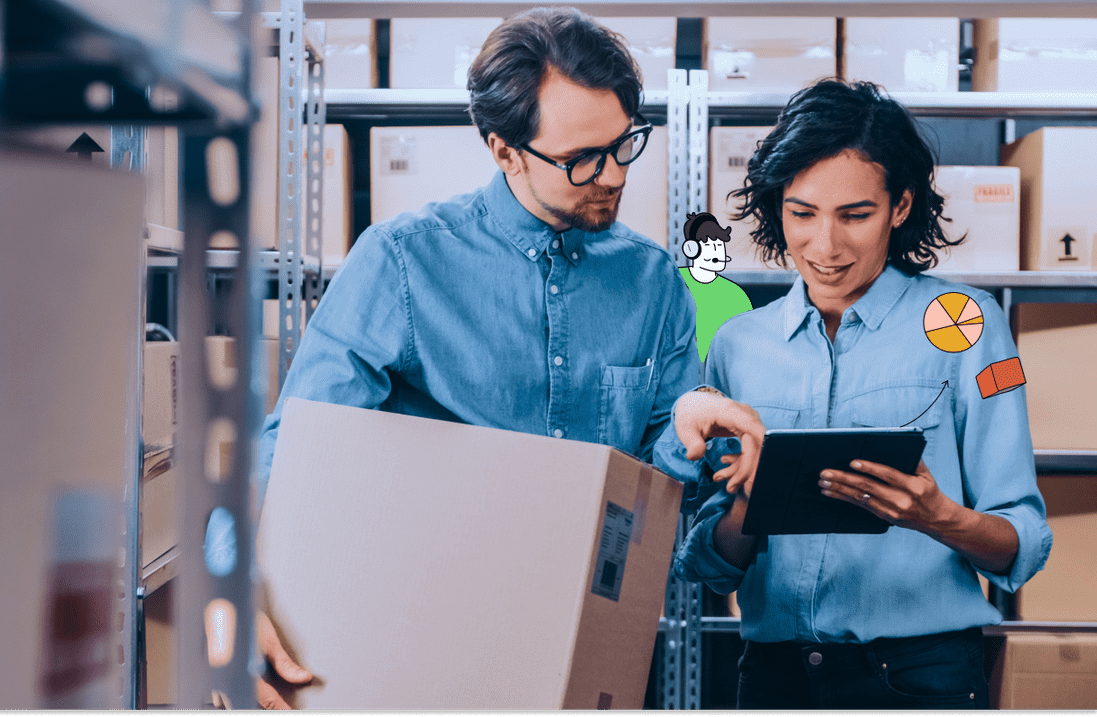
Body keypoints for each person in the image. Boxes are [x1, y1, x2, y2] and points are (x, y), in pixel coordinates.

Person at [251, 7, 765, 709]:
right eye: (582, 158)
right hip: (426, 650)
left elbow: (656, 497)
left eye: (624, 144)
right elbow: (294, 450)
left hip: (594, 651)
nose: (613, 174)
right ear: (504, 150)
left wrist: (686, 427)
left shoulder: (653, 283)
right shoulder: (403, 263)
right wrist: (237, 589)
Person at [656, 80, 1053, 710]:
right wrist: (746, 511)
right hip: (772, 679)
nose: (826, 246)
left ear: (899, 206)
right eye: (802, 213)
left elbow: (1025, 540)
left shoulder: (970, 323)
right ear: (775, 206)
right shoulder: (737, 344)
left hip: (922, 678)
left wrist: (938, 518)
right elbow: (709, 565)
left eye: (855, 215)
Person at [679, 211, 753, 361]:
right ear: (691, 249)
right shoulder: (675, 282)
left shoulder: (735, 294)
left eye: (719, 245)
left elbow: (746, 344)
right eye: (709, 245)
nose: (717, 252)